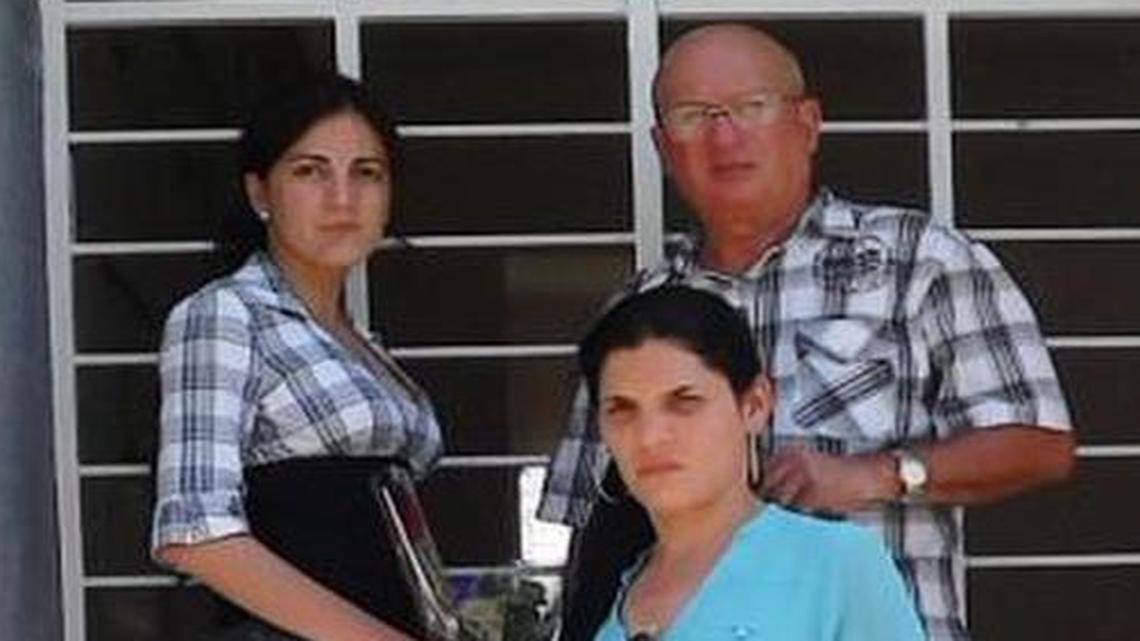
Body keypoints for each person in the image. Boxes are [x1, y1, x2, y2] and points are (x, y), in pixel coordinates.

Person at [541, 23, 1075, 641]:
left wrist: (882, 474)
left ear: (808, 122)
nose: (725, 135)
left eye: (752, 107)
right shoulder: (640, 311)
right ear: (663, 146)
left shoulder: (920, 259)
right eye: (694, 115)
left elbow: (1040, 442)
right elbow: (591, 518)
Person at [150, 74, 438, 641]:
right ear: (260, 193)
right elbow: (195, 534)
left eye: (367, 173)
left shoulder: (364, 344)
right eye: (310, 171)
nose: (342, 199)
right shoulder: (225, 315)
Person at [581, 286, 925, 641]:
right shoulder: (607, 594)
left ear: (755, 405)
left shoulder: (836, 566)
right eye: (621, 410)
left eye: (684, 402)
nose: (650, 436)